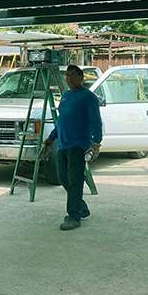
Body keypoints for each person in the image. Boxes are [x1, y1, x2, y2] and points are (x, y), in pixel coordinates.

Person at [44, 65, 102, 231]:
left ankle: (74, 216)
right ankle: (81, 207)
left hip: (78, 145)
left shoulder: (89, 98)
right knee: (63, 178)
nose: (68, 79)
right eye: (67, 76)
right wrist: (50, 138)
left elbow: (96, 122)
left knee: (75, 181)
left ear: (81, 77)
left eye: (72, 76)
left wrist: (96, 143)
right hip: (63, 144)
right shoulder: (66, 96)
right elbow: (62, 121)